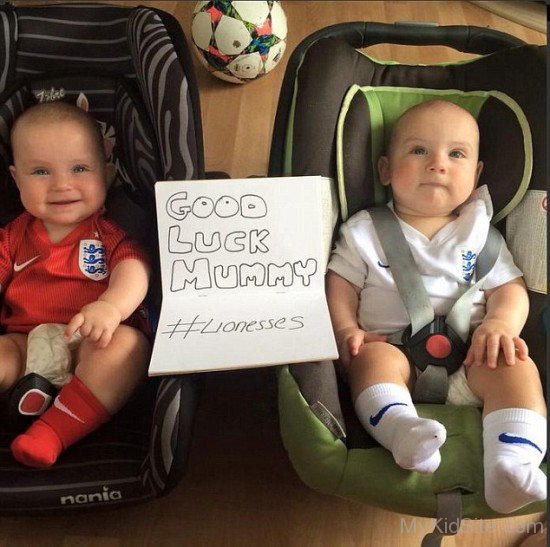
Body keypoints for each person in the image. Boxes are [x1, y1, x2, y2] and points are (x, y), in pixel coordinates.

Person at [326, 99, 546, 514]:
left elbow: (510, 287)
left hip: (474, 360)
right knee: (369, 360)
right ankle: (403, 431)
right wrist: (345, 329)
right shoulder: (364, 231)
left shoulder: (481, 232)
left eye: (456, 154)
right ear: (385, 170)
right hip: (393, 354)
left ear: (477, 173)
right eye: (419, 150)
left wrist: (499, 323)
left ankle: (511, 465)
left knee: (519, 368)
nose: (437, 165)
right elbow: (339, 284)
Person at [0, 101, 151, 468]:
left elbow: (134, 269)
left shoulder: (107, 233)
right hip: (23, 343)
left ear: (107, 173)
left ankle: (51, 431)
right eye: (40, 171)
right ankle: (34, 397)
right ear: (16, 179)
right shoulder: (14, 237)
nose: (62, 185)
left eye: (80, 168)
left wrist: (111, 307)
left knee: (128, 347)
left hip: (87, 342)